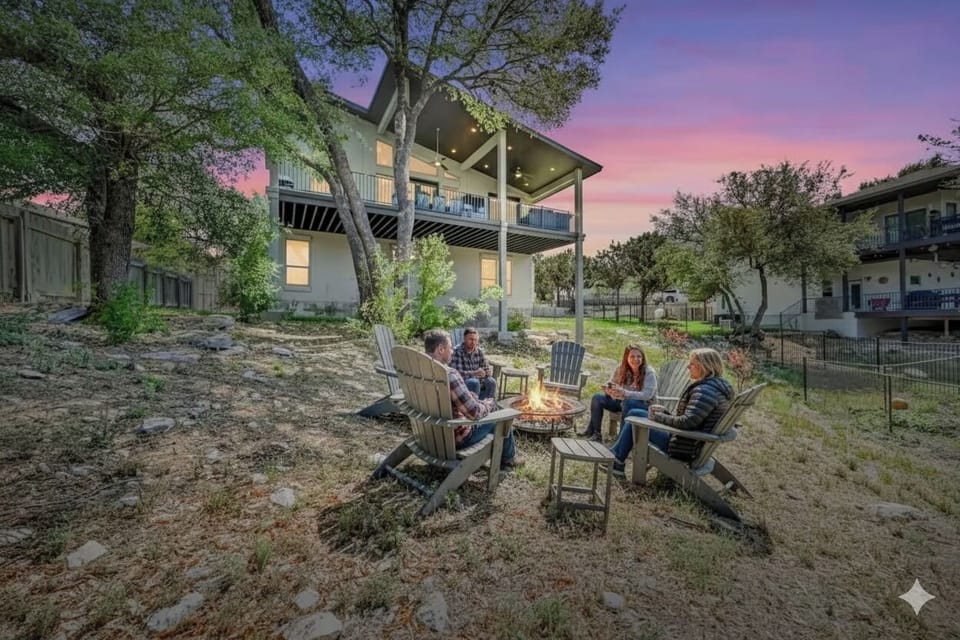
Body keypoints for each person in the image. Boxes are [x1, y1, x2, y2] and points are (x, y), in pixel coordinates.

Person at [609, 348, 734, 477]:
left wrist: (659, 417)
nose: (688, 367)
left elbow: (687, 422)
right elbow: (693, 418)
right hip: (689, 439)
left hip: (683, 445)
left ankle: (617, 460)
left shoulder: (705, 391)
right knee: (635, 412)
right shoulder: (715, 388)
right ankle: (616, 457)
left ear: (704, 366)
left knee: (635, 419)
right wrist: (667, 413)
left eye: (692, 364)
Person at [424, 329, 521, 468]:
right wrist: (488, 404)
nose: (451, 351)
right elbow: (474, 413)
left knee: (478, 391)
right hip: (456, 438)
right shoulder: (449, 375)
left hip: (430, 434)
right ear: (440, 349)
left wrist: (474, 400)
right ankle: (509, 459)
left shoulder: (418, 371)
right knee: (502, 418)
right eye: (450, 348)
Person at [580, 344, 657, 442]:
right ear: (626, 358)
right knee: (597, 398)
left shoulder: (649, 373)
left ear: (643, 358)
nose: (636, 359)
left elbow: (647, 395)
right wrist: (608, 388)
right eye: (632, 356)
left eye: (639, 356)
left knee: (628, 402)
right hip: (622, 402)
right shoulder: (621, 368)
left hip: (643, 406)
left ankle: (621, 439)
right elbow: (611, 382)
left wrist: (624, 392)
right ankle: (596, 434)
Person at [450, 327, 497, 400]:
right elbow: (456, 374)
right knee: (474, 382)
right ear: (464, 339)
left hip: (479, 382)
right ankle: (474, 409)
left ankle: (489, 407)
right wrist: (474, 373)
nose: (473, 342)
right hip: (463, 385)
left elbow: (487, 369)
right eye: (471, 339)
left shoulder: (479, 351)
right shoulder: (457, 352)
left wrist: (485, 373)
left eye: (475, 340)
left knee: (491, 382)